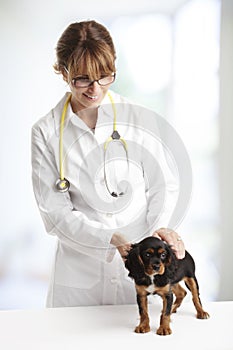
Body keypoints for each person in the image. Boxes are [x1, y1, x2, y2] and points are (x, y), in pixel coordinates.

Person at [31, 20, 185, 308]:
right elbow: (55, 214)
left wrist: (159, 228)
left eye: (104, 76)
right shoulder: (45, 131)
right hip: (78, 278)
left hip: (139, 269)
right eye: (82, 79)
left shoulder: (138, 117)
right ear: (63, 71)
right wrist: (109, 238)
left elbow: (164, 185)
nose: (95, 88)